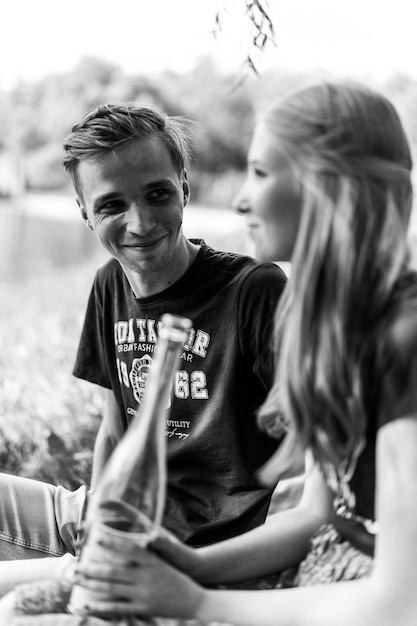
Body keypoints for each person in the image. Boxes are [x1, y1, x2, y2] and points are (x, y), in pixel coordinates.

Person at [71, 82, 417, 625]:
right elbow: (318, 517)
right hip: (308, 583)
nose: (239, 199)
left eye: (259, 172)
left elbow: (401, 601)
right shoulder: (347, 326)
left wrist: (197, 600)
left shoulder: (405, 339)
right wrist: (190, 566)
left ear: (327, 184)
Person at [0, 103, 287, 595]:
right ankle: (77, 566)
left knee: (27, 596)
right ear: (85, 214)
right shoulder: (109, 286)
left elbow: (308, 447)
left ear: (184, 189)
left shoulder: (253, 290)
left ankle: (69, 575)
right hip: (118, 518)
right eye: (112, 205)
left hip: (206, 548)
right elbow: (114, 430)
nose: (140, 223)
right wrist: (101, 528)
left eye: (157, 194)